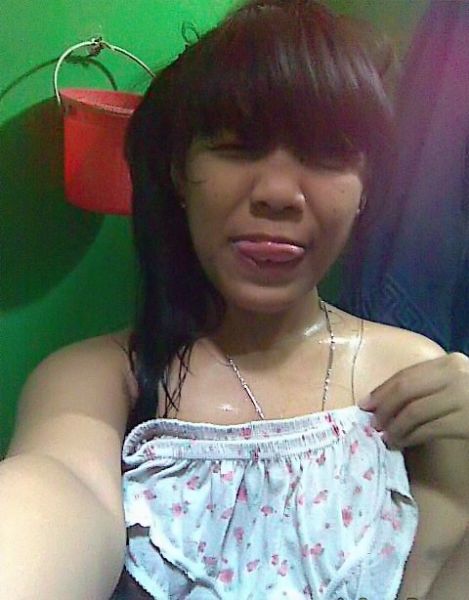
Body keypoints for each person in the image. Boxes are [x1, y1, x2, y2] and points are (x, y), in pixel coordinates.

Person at [1, 1, 468, 599]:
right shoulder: (96, 383)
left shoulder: (416, 379)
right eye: (237, 146)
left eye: (328, 154)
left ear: (365, 189)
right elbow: (57, 492)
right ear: (179, 173)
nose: (277, 193)